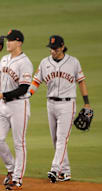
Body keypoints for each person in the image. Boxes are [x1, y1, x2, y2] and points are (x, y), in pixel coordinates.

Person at [28, 35, 92, 183]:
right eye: (51, 48)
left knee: (62, 139)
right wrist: (27, 95)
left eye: (55, 48)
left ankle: (55, 169)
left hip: (67, 105)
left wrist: (86, 103)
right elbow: (36, 82)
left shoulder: (73, 62)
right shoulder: (45, 63)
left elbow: (81, 82)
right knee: (56, 139)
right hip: (50, 104)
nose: (53, 51)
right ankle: (66, 171)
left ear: (62, 47)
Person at [0, 29, 33, 190]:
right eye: (6, 40)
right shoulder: (4, 59)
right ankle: (11, 168)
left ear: (19, 43)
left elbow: (24, 88)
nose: (7, 42)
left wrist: (1, 95)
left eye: (10, 40)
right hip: (3, 106)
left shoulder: (25, 62)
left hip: (19, 106)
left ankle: (17, 179)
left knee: (19, 143)